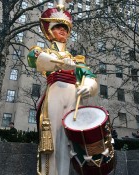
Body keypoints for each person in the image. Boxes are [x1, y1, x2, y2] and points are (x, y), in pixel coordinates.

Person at [27, 2, 98, 175]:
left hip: (73, 96)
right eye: (58, 27)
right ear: (50, 31)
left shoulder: (77, 59)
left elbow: (89, 77)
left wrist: (88, 86)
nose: (63, 31)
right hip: (55, 93)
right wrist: (60, 63)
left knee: (69, 141)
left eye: (65, 28)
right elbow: (34, 59)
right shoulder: (43, 52)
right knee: (54, 137)